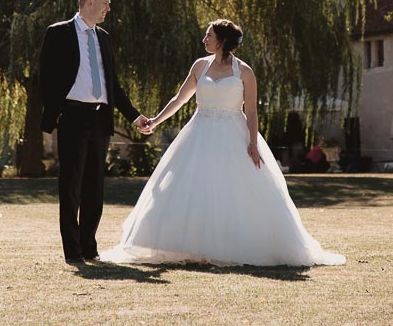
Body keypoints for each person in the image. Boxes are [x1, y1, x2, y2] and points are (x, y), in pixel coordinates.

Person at [100, 19, 345, 266]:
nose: (204, 40)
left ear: (222, 40)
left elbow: (251, 111)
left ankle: (233, 247)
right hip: (199, 134)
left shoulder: (245, 72)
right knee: (193, 187)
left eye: (209, 36)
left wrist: (252, 142)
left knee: (234, 189)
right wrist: (155, 121)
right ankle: (191, 247)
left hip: (233, 135)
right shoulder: (199, 66)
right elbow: (180, 99)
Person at [39, 0, 151, 264]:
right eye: (105, 3)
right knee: (71, 186)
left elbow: (113, 83)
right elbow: (46, 78)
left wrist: (134, 115)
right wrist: (56, 111)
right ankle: (73, 251)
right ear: (89, 2)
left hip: (100, 118)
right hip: (72, 116)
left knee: (94, 188)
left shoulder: (104, 38)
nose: (108, 8)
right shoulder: (58, 33)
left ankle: (89, 246)